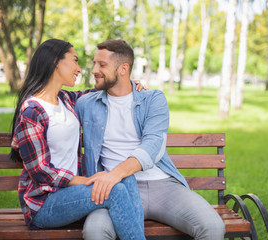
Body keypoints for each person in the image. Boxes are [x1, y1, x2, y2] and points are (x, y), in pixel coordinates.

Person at [75, 39, 225, 240]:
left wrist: (113, 174)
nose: (94, 70)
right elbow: (49, 98)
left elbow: (153, 145)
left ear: (123, 69)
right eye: (94, 63)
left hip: (161, 185)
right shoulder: (86, 103)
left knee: (213, 227)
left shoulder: (152, 99)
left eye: (102, 65)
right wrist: (112, 179)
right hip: (114, 191)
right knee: (95, 231)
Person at [10, 38, 146, 240]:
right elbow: (41, 172)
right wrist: (92, 180)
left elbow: (96, 91)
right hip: (45, 204)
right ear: (56, 62)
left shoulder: (65, 100)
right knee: (114, 189)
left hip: (73, 194)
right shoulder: (32, 111)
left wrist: (124, 82)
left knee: (124, 176)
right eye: (74, 61)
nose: (79, 69)